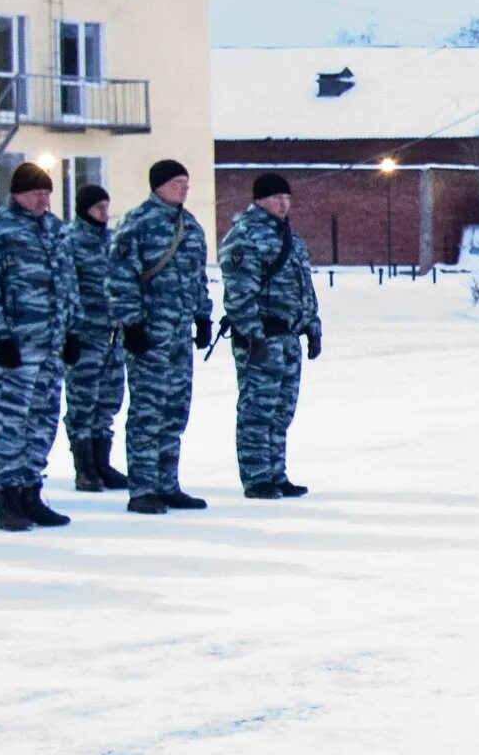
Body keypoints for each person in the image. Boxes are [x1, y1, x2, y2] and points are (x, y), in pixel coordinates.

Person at [0, 162, 79, 530]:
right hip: (17, 345)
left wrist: (71, 330)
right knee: (10, 422)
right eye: (35, 193)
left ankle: (32, 490)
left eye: (47, 192)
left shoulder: (55, 230)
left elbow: (67, 282)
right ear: (16, 194)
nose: (43, 199)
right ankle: (8, 497)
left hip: (51, 344)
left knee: (42, 420)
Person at [111, 159, 211, 514]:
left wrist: (202, 316)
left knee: (174, 410)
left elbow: (198, 276)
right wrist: (132, 324)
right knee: (147, 411)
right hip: (149, 334)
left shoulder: (191, 226)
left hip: (179, 334)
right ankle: (142, 488)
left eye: (187, 181)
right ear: (158, 185)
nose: (184, 187)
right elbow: (120, 279)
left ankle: (167, 483)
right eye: (177, 182)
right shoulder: (137, 223)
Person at [217, 172, 321, 498]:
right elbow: (238, 293)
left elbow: (305, 288)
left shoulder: (291, 238)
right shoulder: (245, 237)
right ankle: (256, 476)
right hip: (262, 336)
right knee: (257, 410)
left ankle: (277, 473)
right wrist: (252, 335)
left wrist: (312, 326)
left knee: (281, 410)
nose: (283, 204)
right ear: (260, 200)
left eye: (287, 199)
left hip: (288, 337)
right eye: (277, 198)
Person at [62, 186, 131, 493]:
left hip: (113, 333)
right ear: (83, 209)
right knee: (82, 399)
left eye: (106, 206)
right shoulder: (70, 241)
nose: (104, 212)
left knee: (108, 399)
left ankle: (102, 463)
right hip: (85, 331)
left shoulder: (113, 240)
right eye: (97, 207)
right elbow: (67, 288)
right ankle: (85, 468)